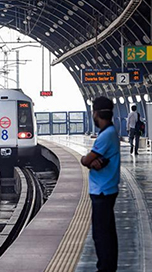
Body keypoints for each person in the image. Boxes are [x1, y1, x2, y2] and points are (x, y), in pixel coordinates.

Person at [80, 96, 120, 272]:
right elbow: (94, 160)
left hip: (103, 191)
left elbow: (87, 159)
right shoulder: (109, 133)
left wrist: (86, 159)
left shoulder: (106, 135)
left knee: (102, 234)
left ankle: (105, 268)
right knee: (107, 233)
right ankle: (107, 266)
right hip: (106, 189)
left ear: (96, 113)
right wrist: (92, 161)